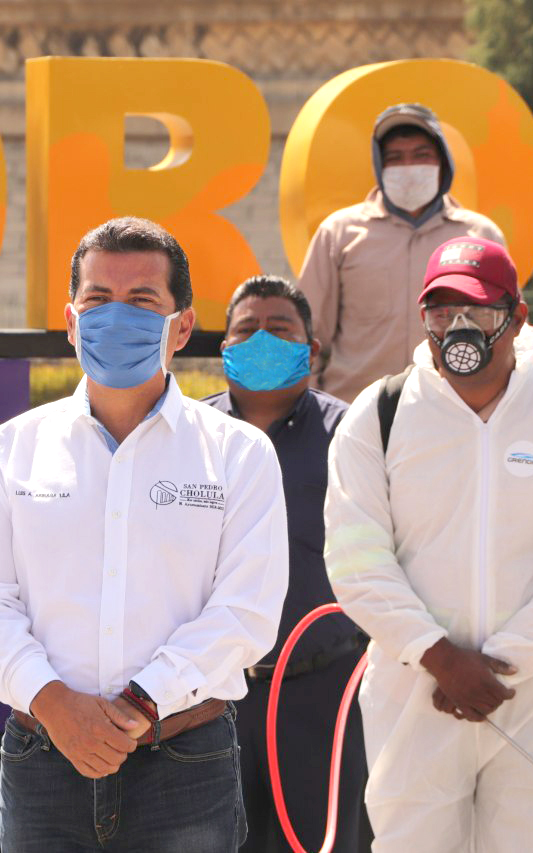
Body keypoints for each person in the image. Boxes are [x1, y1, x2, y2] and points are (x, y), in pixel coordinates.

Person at [0, 217, 289, 852]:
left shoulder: (239, 454)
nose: (116, 318)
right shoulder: (9, 449)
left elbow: (246, 611)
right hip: (43, 760)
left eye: (142, 301)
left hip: (186, 763)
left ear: (181, 327)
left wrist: (138, 704)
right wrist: (52, 704)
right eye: (98, 300)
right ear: (72, 321)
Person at [324, 237, 533, 852]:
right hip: (417, 698)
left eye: (478, 313)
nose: (458, 330)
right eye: (442, 313)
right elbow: (357, 560)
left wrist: (494, 667)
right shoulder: (378, 416)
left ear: (516, 318)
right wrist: (440, 658)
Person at [202, 275, 367, 853]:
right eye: (246, 329)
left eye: (280, 329)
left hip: (324, 689)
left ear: (311, 349)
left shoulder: (350, 435)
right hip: (208, 699)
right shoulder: (189, 437)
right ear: (223, 347)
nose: (262, 340)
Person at [297, 103, 505, 403]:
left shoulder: (481, 236)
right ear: (380, 166)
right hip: (355, 409)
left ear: (443, 162)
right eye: (395, 158)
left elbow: (507, 331)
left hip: (455, 411)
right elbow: (309, 333)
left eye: (421, 155)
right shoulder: (339, 233)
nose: (408, 167)